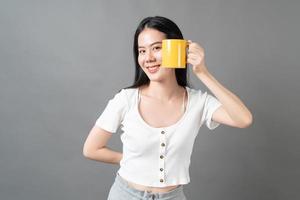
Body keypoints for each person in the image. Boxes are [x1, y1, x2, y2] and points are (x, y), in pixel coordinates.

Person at [83, 16, 253, 200]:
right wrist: (128, 159)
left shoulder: (198, 102)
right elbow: (91, 149)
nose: (148, 58)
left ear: (177, 49)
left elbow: (243, 119)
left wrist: (203, 73)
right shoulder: (126, 99)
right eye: (141, 51)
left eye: (156, 48)